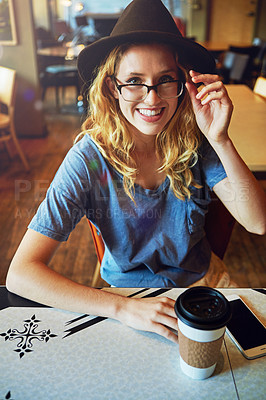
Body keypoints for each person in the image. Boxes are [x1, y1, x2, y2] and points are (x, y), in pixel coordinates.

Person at [6, 0, 266, 343]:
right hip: (127, 296)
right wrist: (120, 308)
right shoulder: (88, 160)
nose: (151, 98)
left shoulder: (197, 142)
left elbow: (257, 222)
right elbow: (21, 275)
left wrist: (220, 139)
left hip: (203, 284)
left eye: (165, 80)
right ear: (113, 88)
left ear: (184, 83)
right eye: (134, 81)